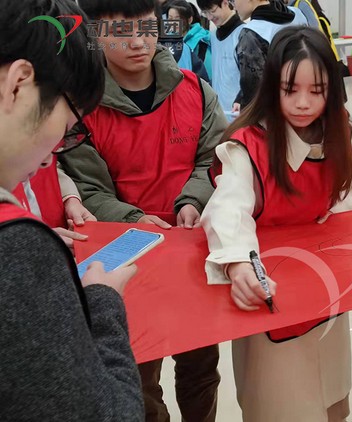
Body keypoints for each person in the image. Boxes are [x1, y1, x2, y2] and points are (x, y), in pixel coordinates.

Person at [60, 1, 228, 421]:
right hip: (124, 261)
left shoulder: (195, 90)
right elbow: (88, 188)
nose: (138, 41)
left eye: (146, 27)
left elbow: (216, 159)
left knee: (200, 367)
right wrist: (133, 219)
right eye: (120, 31)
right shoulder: (80, 108)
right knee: (138, 376)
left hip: (191, 252)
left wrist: (192, 200)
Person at [202, 27, 352, 422]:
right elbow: (227, 210)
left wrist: (329, 228)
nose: (303, 103)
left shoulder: (339, 129)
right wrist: (238, 264)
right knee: (281, 402)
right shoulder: (248, 145)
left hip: (324, 286)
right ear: (272, 86)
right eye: (290, 89)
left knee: (331, 396)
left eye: (317, 90)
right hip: (271, 291)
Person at [0, 0, 144, 419]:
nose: (51, 158)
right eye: (65, 129)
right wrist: (102, 303)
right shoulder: (17, 247)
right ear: (18, 84)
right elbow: (111, 413)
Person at [231, 0, 308, 110]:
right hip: (308, 102)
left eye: (233, 0)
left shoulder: (252, 34)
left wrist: (245, 107)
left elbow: (254, 92)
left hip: (276, 112)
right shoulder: (298, 15)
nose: (233, 6)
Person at [197, 0, 246, 113]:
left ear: (225, 3)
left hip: (239, 111)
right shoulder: (213, 36)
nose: (209, 17)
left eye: (212, 11)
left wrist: (241, 100)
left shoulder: (244, 33)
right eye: (205, 13)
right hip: (218, 111)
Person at [165, 0, 212, 83]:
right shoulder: (165, 41)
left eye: (178, 19)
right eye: (170, 18)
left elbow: (208, 75)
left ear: (190, 20)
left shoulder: (201, 42)